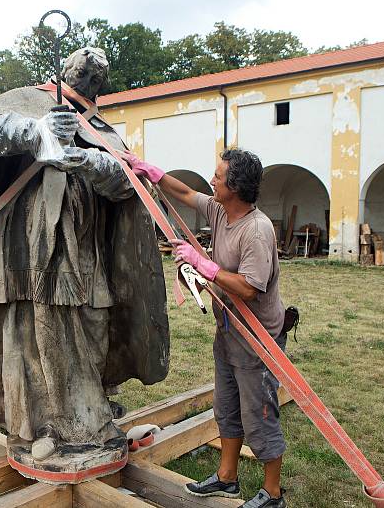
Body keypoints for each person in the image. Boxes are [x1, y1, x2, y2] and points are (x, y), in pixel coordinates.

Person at [0, 47, 169, 466]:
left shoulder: (102, 130)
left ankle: (90, 411)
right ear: (65, 71)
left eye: (95, 77)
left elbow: (127, 182)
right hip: (28, 252)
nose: (87, 80)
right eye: (81, 72)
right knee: (34, 337)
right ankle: (44, 427)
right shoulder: (28, 102)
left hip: (86, 253)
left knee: (94, 328)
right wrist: (36, 131)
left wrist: (88, 160)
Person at [125, 148, 287, 508]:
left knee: (259, 414)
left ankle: (273, 494)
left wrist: (204, 266)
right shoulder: (219, 209)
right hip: (229, 330)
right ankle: (227, 478)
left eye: (218, 176)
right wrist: (153, 172)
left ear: (236, 186)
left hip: (257, 339)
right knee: (226, 407)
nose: (212, 180)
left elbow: (248, 287)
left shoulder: (257, 231)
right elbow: (183, 193)